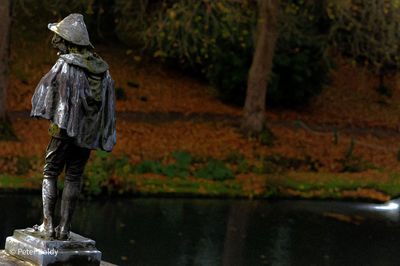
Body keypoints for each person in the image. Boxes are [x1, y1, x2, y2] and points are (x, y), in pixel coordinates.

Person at [31, 13, 116, 240]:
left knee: (50, 171)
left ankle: (48, 225)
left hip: (63, 128)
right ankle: (65, 228)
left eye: (59, 38)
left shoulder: (65, 64)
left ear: (68, 41)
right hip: (87, 131)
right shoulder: (103, 69)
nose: (55, 42)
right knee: (74, 176)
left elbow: (48, 92)